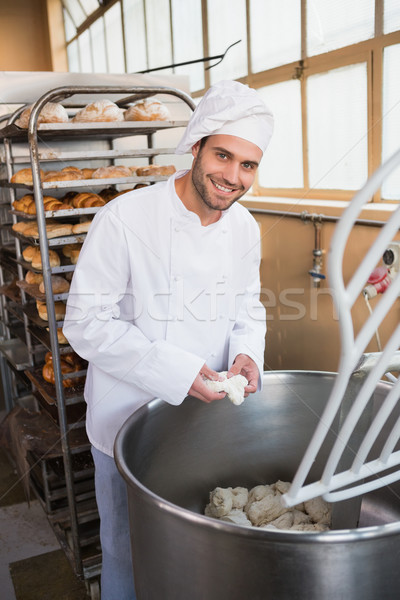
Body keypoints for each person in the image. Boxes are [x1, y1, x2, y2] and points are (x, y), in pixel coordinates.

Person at [63, 79, 273, 599]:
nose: (233, 176)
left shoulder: (244, 226)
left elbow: (248, 302)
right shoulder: (125, 218)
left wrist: (248, 350)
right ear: (196, 146)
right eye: (223, 156)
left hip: (208, 421)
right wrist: (177, 373)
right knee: (129, 553)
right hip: (128, 424)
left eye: (248, 164)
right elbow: (86, 323)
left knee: (201, 551)